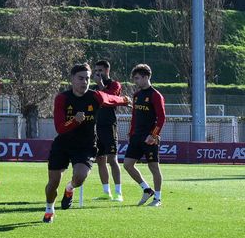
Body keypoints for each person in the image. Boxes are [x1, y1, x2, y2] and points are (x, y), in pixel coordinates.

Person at [43, 63, 131, 223]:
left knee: (81, 176)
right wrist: (75, 121)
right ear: (72, 79)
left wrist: (124, 100)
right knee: (53, 183)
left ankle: (69, 188)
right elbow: (60, 128)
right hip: (63, 144)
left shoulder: (95, 96)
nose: (84, 82)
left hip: (86, 145)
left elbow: (110, 98)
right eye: (81, 78)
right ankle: (49, 208)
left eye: (87, 79)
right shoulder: (62, 98)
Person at [122, 64, 167, 207]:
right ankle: (147, 189)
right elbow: (134, 116)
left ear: (146, 77)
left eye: (137, 78)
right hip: (136, 137)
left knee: (154, 167)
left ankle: (158, 198)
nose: (135, 81)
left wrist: (153, 135)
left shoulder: (155, 95)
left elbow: (161, 118)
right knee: (127, 165)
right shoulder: (136, 95)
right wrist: (131, 132)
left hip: (149, 138)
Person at [93, 59, 124, 201]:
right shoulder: (93, 87)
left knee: (112, 159)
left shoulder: (115, 85)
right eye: (96, 71)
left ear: (107, 71)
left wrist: (100, 84)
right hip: (96, 126)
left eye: (100, 70)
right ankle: (106, 192)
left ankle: (118, 192)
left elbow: (109, 99)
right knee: (100, 159)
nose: (98, 73)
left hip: (109, 125)